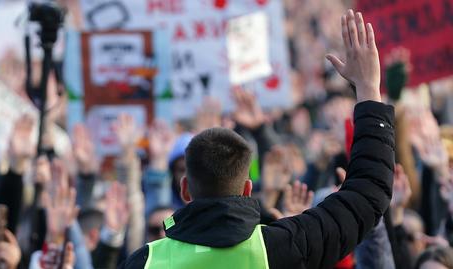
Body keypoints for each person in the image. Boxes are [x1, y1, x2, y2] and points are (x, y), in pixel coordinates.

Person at [122, 9, 395, 269]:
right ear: (247, 189)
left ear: (185, 190)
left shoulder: (146, 262)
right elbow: (368, 193)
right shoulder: (282, 248)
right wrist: (369, 89)